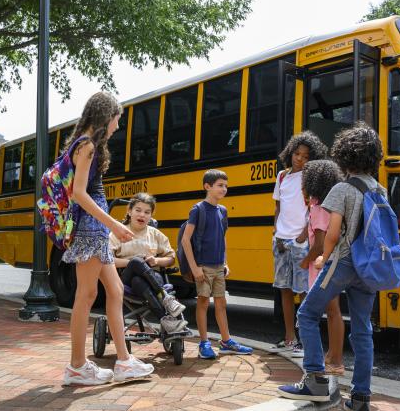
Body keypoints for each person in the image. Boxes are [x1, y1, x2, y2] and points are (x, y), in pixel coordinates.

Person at [279, 122, 386, 411]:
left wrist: (321, 258)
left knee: (307, 314)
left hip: (344, 263)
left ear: (344, 155)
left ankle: (314, 381)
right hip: (369, 268)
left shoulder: (342, 188)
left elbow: (334, 233)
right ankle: (361, 399)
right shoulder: (380, 189)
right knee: (363, 329)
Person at [62, 92, 154, 386]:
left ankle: (124, 361)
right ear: (106, 116)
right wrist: (113, 223)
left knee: (114, 291)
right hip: (91, 229)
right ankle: (77, 366)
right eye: (117, 119)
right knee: (86, 296)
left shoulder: (87, 144)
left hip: (95, 229)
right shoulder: (88, 145)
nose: (118, 125)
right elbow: (78, 192)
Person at [180, 169, 253, 359]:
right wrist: (195, 267)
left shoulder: (223, 211)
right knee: (203, 302)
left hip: (219, 265)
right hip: (203, 265)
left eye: (226, 186)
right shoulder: (198, 209)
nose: (224, 189)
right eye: (220, 185)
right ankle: (204, 343)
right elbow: (185, 240)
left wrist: (225, 262)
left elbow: (222, 237)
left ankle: (226, 341)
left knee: (221, 302)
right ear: (207, 186)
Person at [270, 132, 328, 358]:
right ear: (290, 152)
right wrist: (277, 232)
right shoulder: (282, 176)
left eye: (305, 156)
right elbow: (278, 207)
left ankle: (305, 341)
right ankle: (289, 338)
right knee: (284, 290)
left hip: (301, 241)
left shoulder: (311, 177)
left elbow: (313, 210)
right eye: (296, 154)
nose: (300, 159)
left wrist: (303, 236)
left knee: (304, 292)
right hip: (282, 240)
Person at [110, 193, 188, 333]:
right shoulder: (118, 233)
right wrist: (131, 262)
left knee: (138, 281)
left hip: (151, 277)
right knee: (135, 261)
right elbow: (108, 260)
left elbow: (171, 258)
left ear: (151, 215)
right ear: (129, 211)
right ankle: (165, 297)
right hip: (125, 280)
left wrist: (156, 260)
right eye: (138, 210)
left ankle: (165, 319)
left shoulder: (155, 234)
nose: (142, 215)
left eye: (147, 212)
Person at [298, 159, 345, 376]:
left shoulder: (318, 207)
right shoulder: (332, 204)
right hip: (334, 264)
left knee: (326, 312)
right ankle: (333, 357)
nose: (302, 186)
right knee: (334, 312)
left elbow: (319, 243)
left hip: (320, 267)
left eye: (304, 181)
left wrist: (305, 260)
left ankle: (333, 360)